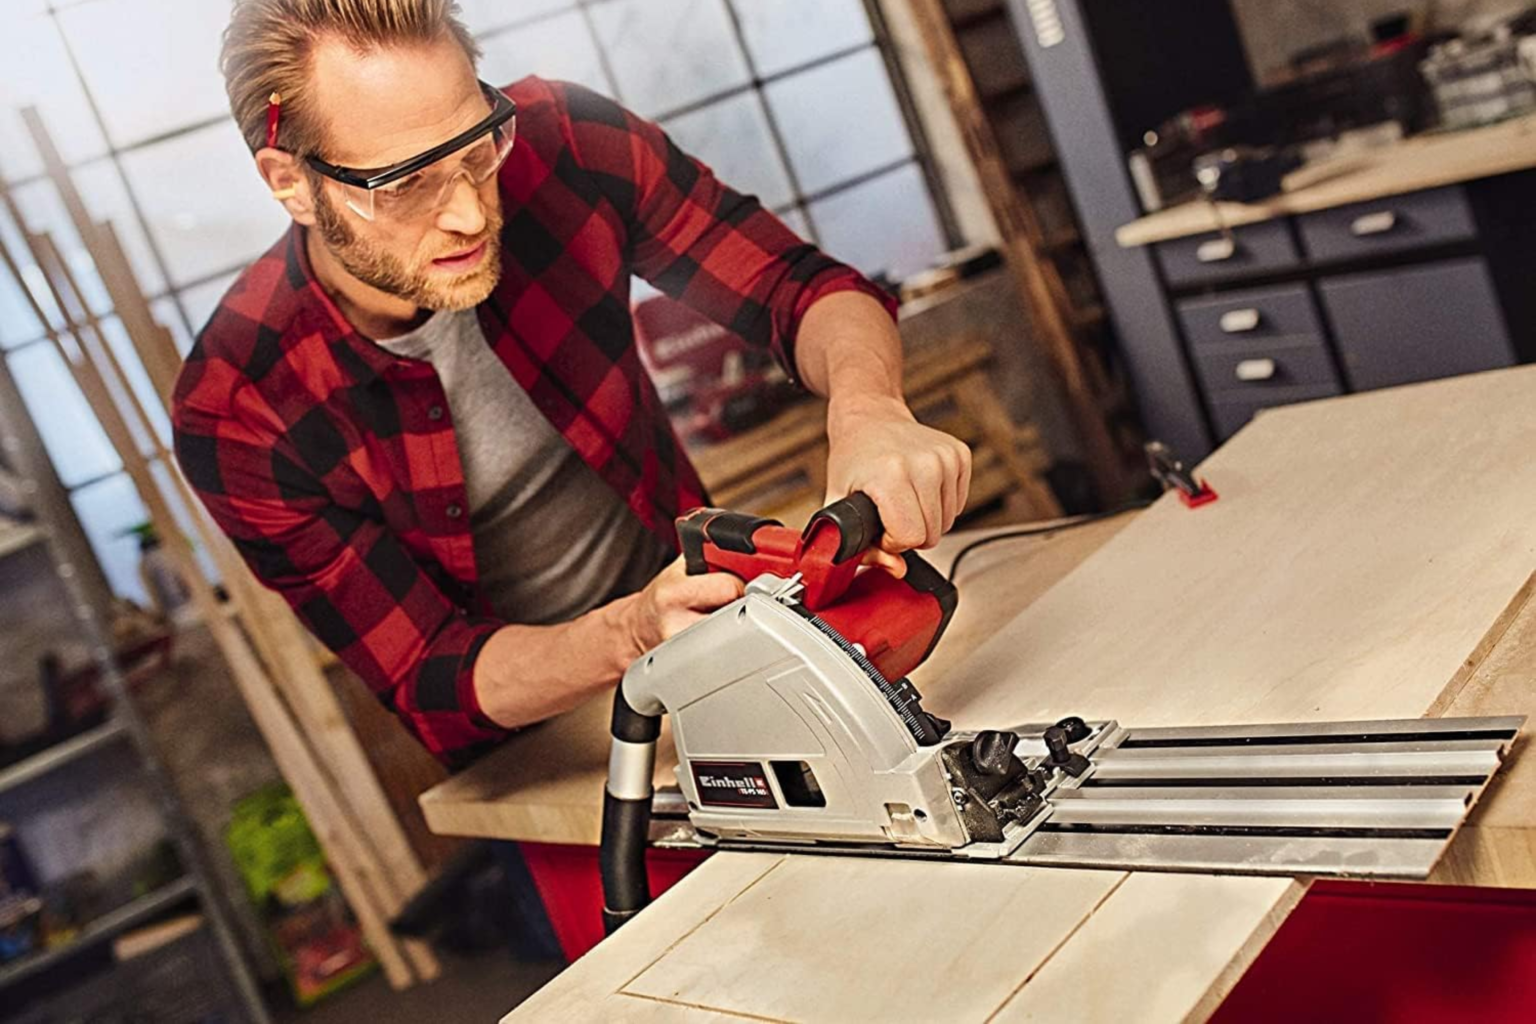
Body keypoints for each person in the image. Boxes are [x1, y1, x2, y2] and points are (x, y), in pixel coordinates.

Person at [174, 0, 972, 769]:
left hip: (718, 664)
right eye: (405, 183)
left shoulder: (568, 143)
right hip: (533, 746)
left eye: (477, 147)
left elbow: (796, 288)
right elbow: (427, 671)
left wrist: (869, 411)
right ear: (288, 182)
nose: (467, 214)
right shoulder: (239, 408)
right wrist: (630, 634)